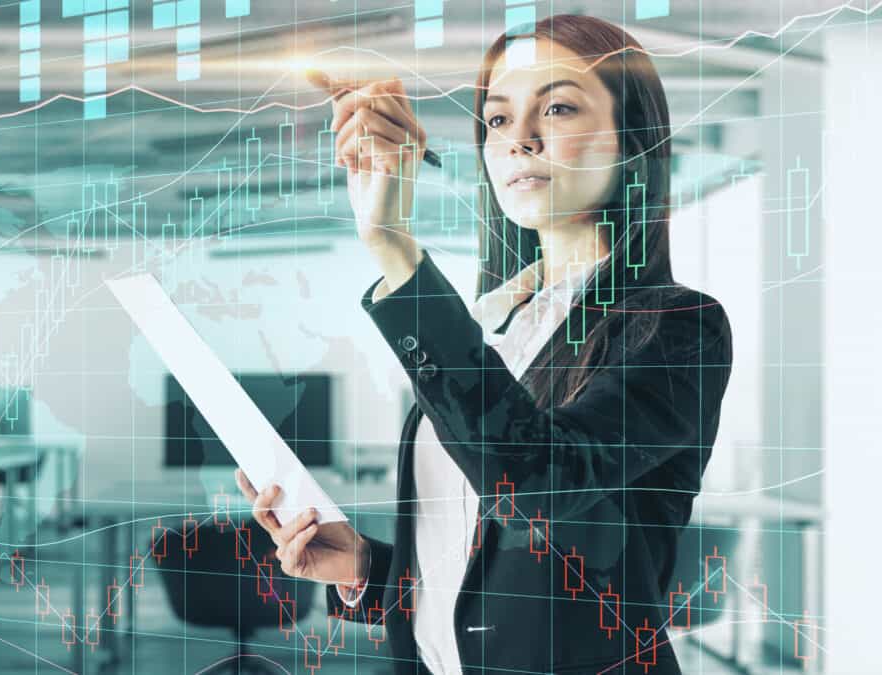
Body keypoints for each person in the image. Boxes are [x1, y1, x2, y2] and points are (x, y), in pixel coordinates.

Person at [235, 13, 733, 675]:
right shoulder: (499, 324)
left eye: (556, 107)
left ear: (631, 139)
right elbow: (481, 574)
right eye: (497, 120)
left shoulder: (678, 327)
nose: (519, 140)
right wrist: (362, 564)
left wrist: (395, 249)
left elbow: (536, 482)